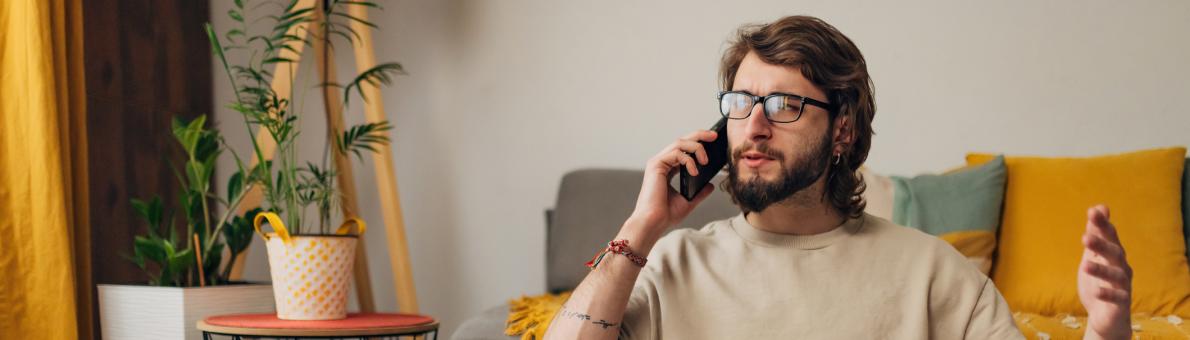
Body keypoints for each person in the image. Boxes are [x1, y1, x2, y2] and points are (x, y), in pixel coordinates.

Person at [543, 15, 1133, 340]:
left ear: (843, 130)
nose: (754, 125)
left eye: (784, 106)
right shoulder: (669, 265)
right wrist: (642, 226)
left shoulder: (932, 275)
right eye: (741, 102)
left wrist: (1107, 333)